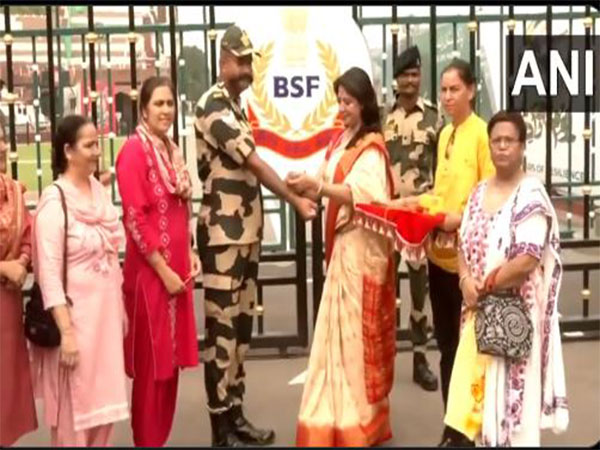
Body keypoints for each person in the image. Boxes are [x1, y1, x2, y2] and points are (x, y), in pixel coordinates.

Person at [194, 25, 317, 447]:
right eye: (241, 61)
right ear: (223, 58)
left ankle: (236, 412)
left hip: (243, 235)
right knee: (221, 332)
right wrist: (295, 202)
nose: (247, 70)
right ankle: (219, 427)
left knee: (242, 329)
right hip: (222, 239)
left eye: (250, 63)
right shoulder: (213, 105)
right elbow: (255, 163)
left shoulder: (236, 104)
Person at [443, 111, 569, 446]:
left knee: (514, 408)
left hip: (514, 319)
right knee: (475, 407)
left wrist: (483, 287)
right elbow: (462, 244)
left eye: (508, 141)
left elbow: (526, 260)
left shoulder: (531, 195)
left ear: (522, 146)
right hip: (477, 316)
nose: (501, 148)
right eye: (496, 140)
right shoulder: (478, 192)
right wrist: (464, 280)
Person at [389, 58, 495, 444]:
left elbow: (489, 200)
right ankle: (452, 429)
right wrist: (418, 204)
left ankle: (473, 431)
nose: (448, 97)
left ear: (471, 90)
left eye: (455, 89)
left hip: (471, 265)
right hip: (440, 257)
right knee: (448, 347)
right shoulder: (446, 134)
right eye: (444, 90)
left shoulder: (482, 135)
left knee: (473, 351)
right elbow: (441, 191)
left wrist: (458, 217)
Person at [288, 67, 396, 447]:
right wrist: (305, 181)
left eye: (348, 101)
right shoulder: (340, 142)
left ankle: (358, 422)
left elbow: (360, 194)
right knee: (333, 336)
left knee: (355, 339)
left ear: (365, 103)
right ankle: (331, 416)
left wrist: (319, 186)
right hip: (340, 249)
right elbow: (326, 180)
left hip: (360, 250)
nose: (343, 108)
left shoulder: (372, 148)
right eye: (339, 101)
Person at [31, 115, 129, 446]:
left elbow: (112, 255)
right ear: (68, 151)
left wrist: (120, 310)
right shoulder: (54, 202)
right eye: (89, 145)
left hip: (105, 325)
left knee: (104, 415)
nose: (96, 152)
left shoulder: (99, 192)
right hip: (75, 327)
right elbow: (49, 276)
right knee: (76, 419)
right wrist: (68, 333)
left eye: (97, 144)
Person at [116, 76, 200, 447]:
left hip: (175, 274)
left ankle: (158, 440)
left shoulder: (171, 151)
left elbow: (182, 210)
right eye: (159, 104)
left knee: (169, 369)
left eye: (170, 103)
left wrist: (191, 252)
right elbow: (135, 218)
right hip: (152, 277)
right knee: (152, 369)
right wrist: (165, 271)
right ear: (143, 109)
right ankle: (146, 441)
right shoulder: (134, 152)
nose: (166, 110)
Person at [384, 45, 440, 392]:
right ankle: (383, 357)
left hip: (419, 219)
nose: (410, 80)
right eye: (404, 74)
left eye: (415, 74)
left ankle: (421, 358)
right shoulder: (382, 118)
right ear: (396, 79)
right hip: (389, 218)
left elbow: (441, 168)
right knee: (385, 288)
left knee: (420, 293)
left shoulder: (434, 118)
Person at [0, 123, 38, 446]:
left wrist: (23, 263)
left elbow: (28, 236)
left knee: (6, 393)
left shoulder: (14, 191)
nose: (0, 147)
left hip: (7, 309)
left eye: (1, 138)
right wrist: (4, 266)